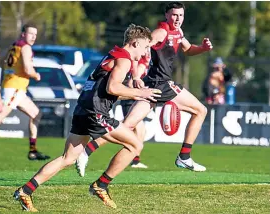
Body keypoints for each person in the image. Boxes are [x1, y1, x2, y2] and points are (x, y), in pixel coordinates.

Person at [13, 24, 161, 212]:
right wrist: (141, 94)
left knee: (67, 158)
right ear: (134, 43)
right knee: (135, 145)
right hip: (95, 112)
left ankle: (26, 190)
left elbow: (110, 91)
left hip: (83, 109)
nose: (146, 52)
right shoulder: (124, 60)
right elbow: (112, 88)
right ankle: (102, 185)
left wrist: (136, 92)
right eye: (145, 47)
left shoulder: (114, 53)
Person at [77, 1, 213, 173]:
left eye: (181, 15)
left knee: (127, 126)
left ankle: (85, 152)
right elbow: (136, 49)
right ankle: (184, 157)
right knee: (201, 110)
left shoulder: (177, 32)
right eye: (174, 15)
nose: (178, 18)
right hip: (161, 84)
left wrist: (202, 48)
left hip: (153, 86)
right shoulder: (161, 32)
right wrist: (134, 75)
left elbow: (188, 50)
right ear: (166, 15)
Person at [75, 53, 151, 177]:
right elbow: (131, 82)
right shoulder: (139, 60)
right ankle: (87, 152)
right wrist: (141, 91)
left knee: (132, 131)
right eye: (147, 46)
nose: (147, 50)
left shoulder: (144, 59)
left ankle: (134, 160)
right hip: (131, 98)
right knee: (124, 130)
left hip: (132, 97)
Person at [0, 23, 50, 161]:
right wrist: (36, 75)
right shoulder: (25, 48)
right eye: (30, 33)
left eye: (35, 34)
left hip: (16, 89)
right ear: (23, 34)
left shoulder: (14, 46)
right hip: (14, 89)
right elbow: (27, 69)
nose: (33, 37)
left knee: (36, 114)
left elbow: (1, 61)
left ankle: (33, 150)